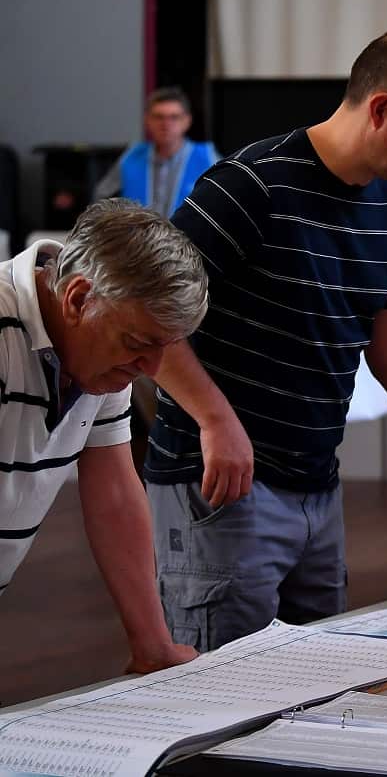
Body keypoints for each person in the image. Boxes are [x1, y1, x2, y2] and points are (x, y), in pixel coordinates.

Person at [144, 29, 387, 650]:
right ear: (380, 108)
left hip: (317, 486)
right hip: (221, 485)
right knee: (226, 694)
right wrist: (215, 420)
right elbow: (146, 312)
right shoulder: (250, 185)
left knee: (314, 689)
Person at [1, 200, 206, 672]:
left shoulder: (95, 352)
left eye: (164, 348)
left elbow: (113, 491)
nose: (151, 371)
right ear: (76, 299)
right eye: (138, 345)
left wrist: (153, 646)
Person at [93, 87, 220, 217]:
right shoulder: (132, 156)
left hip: (187, 236)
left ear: (187, 121)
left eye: (174, 117)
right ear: (147, 120)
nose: (166, 124)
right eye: (159, 117)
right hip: (138, 236)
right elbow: (101, 198)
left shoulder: (207, 157)